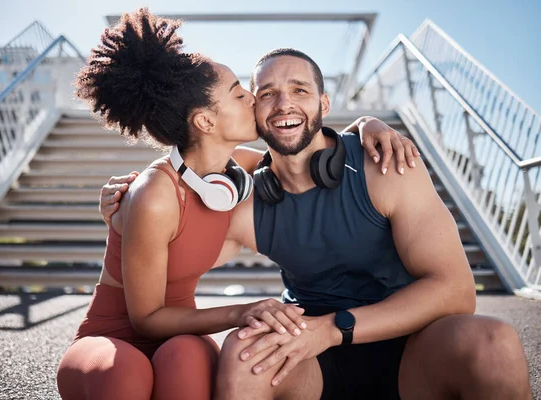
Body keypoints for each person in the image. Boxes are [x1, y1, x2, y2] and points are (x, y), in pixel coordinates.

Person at [102, 48, 533, 399]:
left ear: (323, 104)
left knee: (494, 342)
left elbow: (456, 291)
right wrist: (126, 209)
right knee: (244, 351)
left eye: (300, 90)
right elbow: (175, 225)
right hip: (309, 358)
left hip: (411, 349)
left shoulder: (384, 164)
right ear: (253, 109)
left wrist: (331, 329)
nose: (284, 103)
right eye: (266, 93)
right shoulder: (242, 196)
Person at [57, 9, 417, 400]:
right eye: (239, 94)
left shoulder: (236, 170)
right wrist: (240, 311)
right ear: (206, 123)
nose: (254, 100)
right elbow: (144, 320)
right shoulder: (157, 194)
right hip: (114, 338)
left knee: (187, 361)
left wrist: (367, 124)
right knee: (125, 376)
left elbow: (311, 147)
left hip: (176, 335)